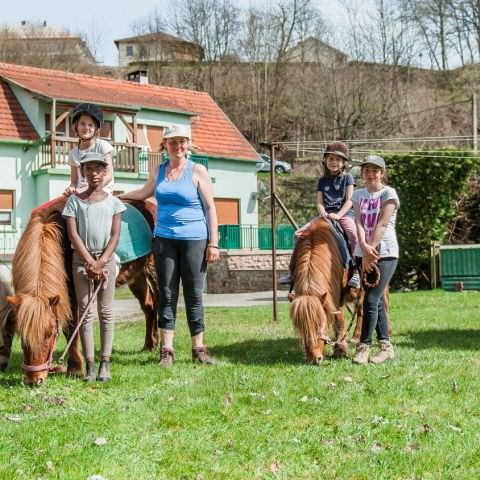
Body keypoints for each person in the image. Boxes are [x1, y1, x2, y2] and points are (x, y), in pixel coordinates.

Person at [119, 124, 219, 367]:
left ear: (188, 144)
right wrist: (118, 197)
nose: (178, 146)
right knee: (167, 293)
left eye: (182, 141)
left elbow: (210, 207)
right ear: (165, 145)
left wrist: (213, 243)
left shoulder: (197, 171)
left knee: (194, 294)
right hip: (164, 239)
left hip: (195, 239)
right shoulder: (159, 170)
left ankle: (199, 348)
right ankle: (167, 350)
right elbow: (144, 193)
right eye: (173, 142)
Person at [63, 151, 126, 381]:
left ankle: (105, 363)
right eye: (89, 169)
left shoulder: (114, 203)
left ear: (105, 171)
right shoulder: (74, 202)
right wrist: (89, 261)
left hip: (105, 261)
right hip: (81, 261)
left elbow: (115, 234)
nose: (94, 174)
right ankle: (89, 364)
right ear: (83, 172)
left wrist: (101, 262)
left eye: (98, 169)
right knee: (85, 312)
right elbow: (73, 234)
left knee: (106, 312)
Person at [281, 141, 360, 289]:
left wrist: (339, 215)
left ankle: (355, 270)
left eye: (337, 160)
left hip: (344, 214)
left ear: (343, 163)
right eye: (331, 159)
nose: (334, 162)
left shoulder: (348, 178)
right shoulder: (322, 181)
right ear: (325, 160)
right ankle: (292, 272)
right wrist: (322, 212)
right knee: (298, 234)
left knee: (352, 234)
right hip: (326, 214)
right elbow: (319, 202)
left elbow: (350, 200)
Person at [351, 155, 400, 365]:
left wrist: (370, 250)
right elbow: (359, 223)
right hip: (364, 252)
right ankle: (386, 347)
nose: (371, 174)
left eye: (375, 170)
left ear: (382, 173)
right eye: (367, 170)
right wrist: (363, 248)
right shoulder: (359, 194)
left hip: (386, 252)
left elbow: (382, 223)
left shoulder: (388, 193)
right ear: (363, 173)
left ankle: (364, 346)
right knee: (377, 300)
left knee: (370, 299)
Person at [64, 103, 115, 196]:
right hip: (81, 194)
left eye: (90, 125)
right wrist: (71, 188)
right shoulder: (73, 153)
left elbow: (109, 176)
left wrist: (89, 189)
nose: (86, 128)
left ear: (96, 129)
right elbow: (74, 182)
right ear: (76, 127)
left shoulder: (103, 146)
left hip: (102, 192)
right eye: (82, 124)